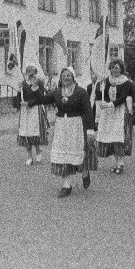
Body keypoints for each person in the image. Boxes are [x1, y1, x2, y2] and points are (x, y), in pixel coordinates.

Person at [33, 66, 95, 198]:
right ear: (60, 78)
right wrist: (35, 87)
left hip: (76, 126)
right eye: (63, 75)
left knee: (77, 151)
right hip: (61, 126)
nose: (66, 77)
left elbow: (88, 112)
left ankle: (84, 171)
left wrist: (90, 131)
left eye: (68, 75)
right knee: (62, 154)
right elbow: (43, 100)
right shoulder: (57, 92)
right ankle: (66, 185)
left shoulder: (81, 92)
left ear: (73, 77)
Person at [95, 59, 135, 175]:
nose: (114, 70)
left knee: (119, 137)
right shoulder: (108, 80)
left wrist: (109, 104)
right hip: (109, 112)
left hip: (120, 111)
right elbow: (102, 95)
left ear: (121, 69)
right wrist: (101, 87)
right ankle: (116, 161)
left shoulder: (126, 82)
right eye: (112, 68)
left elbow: (123, 97)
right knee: (112, 138)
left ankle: (121, 162)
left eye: (117, 67)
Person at [14, 66, 49, 166]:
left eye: (32, 70)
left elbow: (40, 98)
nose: (30, 73)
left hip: (35, 110)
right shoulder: (23, 83)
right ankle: (29, 156)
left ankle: (38, 150)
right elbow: (18, 99)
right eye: (28, 70)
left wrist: (29, 103)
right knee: (26, 133)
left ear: (35, 71)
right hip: (25, 111)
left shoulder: (39, 82)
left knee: (34, 132)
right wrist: (19, 91)